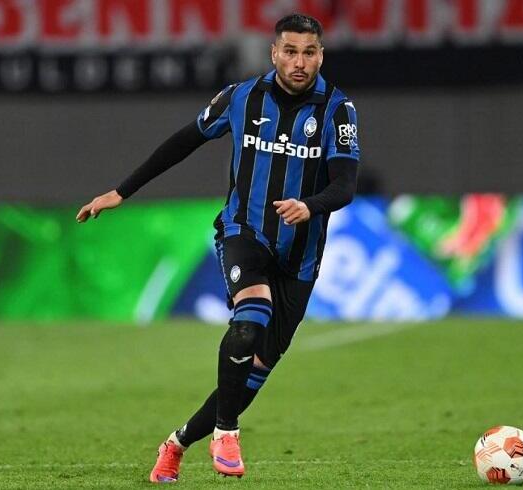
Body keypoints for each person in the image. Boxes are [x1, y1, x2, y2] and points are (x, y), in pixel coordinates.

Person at [76, 13, 360, 482]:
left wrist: (310, 205)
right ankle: (226, 431)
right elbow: (183, 142)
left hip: (300, 259)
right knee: (248, 324)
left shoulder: (338, 110)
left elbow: (345, 185)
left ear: (321, 55)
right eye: (290, 51)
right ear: (274, 52)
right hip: (242, 233)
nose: (299, 62)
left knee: (251, 375)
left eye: (309, 53)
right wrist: (121, 191)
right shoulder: (241, 97)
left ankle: (178, 442)